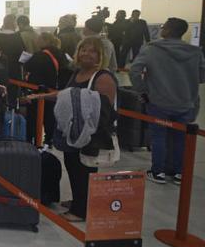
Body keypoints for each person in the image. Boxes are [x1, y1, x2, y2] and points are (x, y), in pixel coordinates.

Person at [31, 37, 117, 221]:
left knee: (84, 170)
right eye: (83, 50)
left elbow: (104, 110)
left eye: (92, 51)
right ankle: (79, 201)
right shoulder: (77, 74)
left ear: (100, 55)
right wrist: (41, 97)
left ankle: (81, 210)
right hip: (72, 133)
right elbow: (66, 96)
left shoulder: (103, 77)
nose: (86, 54)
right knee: (73, 166)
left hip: (89, 134)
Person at [130, 18, 205, 185]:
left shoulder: (152, 49)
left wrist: (143, 90)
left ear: (168, 30)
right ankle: (178, 172)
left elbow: (134, 71)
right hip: (186, 101)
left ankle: (158, 172)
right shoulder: (195, 51)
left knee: (158, 136)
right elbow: (202, 75)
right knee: (181, 138)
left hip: (158, 101)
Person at [23, 33, 69, 145]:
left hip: (39, 90)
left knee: (35, 117)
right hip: (55, 90)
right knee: (50, 116)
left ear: (45, 40)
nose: (36, 42)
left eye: (38, 40)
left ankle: (33, 140)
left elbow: (28, 66)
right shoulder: (61, 53)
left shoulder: (40, 55)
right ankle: (49, 139)